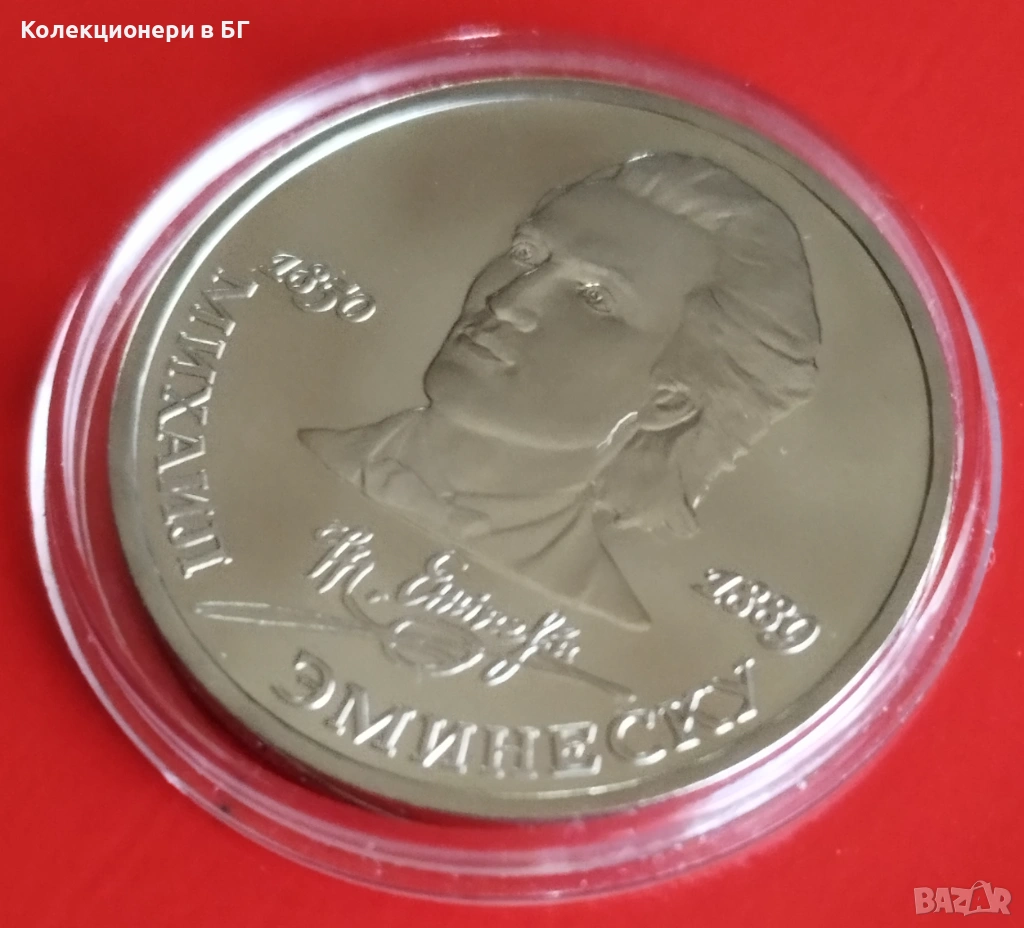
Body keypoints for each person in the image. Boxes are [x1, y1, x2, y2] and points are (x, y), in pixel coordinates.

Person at [300, 152, 821, 629]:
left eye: (596, 298)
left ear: (668, 400)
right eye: (527, 253)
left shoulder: (608, 612)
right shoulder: (313, 447)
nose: (509, 302)